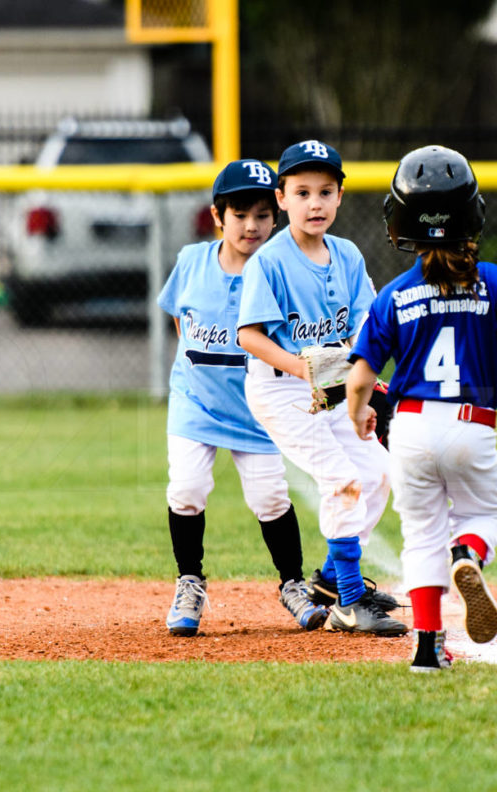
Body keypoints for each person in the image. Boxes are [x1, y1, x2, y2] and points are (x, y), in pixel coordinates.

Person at [345, 145, 497, 671]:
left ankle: (426, 648)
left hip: (411, 429)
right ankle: (467, 553)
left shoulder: (394, 294)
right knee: (482, 515)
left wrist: (358, 415)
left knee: (420, 535)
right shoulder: (494, 281)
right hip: (472, 425)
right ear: (473, 216)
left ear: (399, 222)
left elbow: (359, 379)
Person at [236, 139, 407, 637]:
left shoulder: (348, 255)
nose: (315, 203)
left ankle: (332, 581)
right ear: (282, 199)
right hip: (280, 391)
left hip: (333, 385)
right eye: (302, 192)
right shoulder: (269, 262)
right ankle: (350, 604)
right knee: (339, 479)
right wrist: (302, 369)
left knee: (376, 473)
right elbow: (248, 336)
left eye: (326, 191)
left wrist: (365, 385)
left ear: (339, 197)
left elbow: (362, 326)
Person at [158, 158, 329, 637]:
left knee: (270, 497)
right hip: (196, 401)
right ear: (218, 216)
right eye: (239, 214)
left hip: (257, 408)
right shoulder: (192, 261)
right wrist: (194, 374)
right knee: (187, 489)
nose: (251, 226)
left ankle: (292, 585)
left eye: (261, 215)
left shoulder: (281, 271)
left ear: (276, 215)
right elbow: (180, 318)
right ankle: (189, 581)